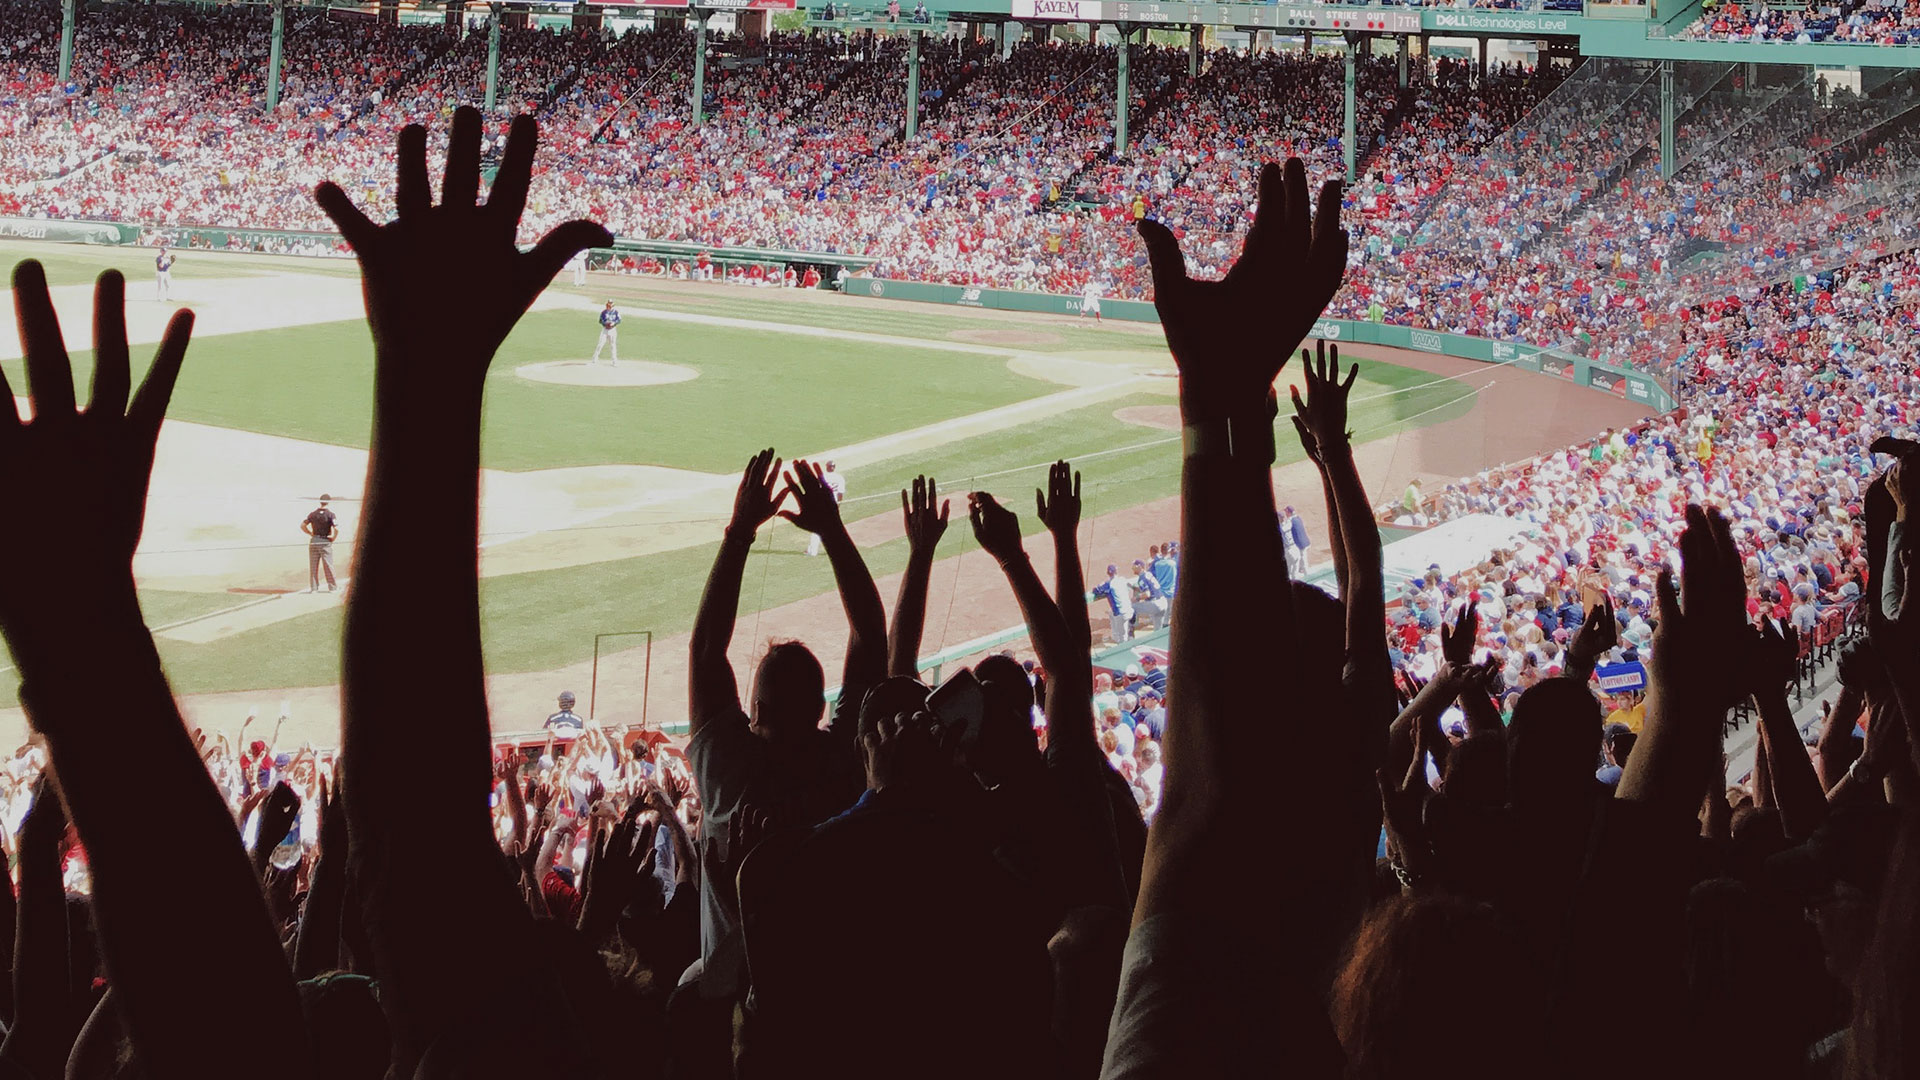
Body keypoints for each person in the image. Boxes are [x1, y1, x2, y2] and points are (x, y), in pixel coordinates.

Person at [806, 460, 847, 556]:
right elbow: (840, 493)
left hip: (823, 505)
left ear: (826, 467)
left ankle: (813, 551)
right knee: (834, 528)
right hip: (833, 505)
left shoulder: (822, 477)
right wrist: (838, 506)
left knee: (817, 527)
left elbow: (816, 491)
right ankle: (839, 549)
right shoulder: (839, 478)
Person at [300, 494, 339, 593]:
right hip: (325, 541)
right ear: (329, 502)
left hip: (314, 541)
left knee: (313, 565)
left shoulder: (313, 514)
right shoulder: (331, 514)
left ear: (320, 501)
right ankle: (332, 588)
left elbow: (302, 525)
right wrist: (333, 538)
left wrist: (310, 533)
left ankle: (314, 588)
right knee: (328, 565)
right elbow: (337, 529)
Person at [1092, 563, 1135, 643]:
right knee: (1111, 613)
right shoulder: (1122, 579)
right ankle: (1117, 636)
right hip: (1130, 610)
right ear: (1116, 572)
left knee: (1123, 638)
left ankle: (1122, 641)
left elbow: (1096, 590)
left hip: (1121, 614)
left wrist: (1102, 585)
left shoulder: (1108, 584)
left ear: (1108, 573)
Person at [1131, 558, 1168, 631]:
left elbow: (1147, 594)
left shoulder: (1141, 579)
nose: (1132, 568)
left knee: (1131, 607)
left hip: (1155, 604)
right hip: (1163, 602)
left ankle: (1130, 630)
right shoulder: (1148, 574)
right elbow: (1152, 588)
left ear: (1139, 567)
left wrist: (1136, 597)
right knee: (1158, 630)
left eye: (1134, 566)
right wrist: (1138, 590)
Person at [1281, 504, 1310, 575]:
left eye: (1286, 512)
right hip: (1306, 541)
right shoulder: (1298, 517)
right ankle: (1303, 570)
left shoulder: (1290, 521)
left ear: (1288, 512)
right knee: (1301, 559)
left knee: (1303, 560)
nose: (1285, 514)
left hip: (1300, 544)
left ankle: (1307, 574)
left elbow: (1284, 530)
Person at [591, 299, 620, 364]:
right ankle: (595, 358)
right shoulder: (604, 312)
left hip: (613, 330)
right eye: (608, 305)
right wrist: (605, 324)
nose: (609, 307)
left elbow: (619, 320)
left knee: (613, 345)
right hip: (605, 330)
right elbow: (600, 321)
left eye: (610, 305)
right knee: (600, 344)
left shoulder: (616, 312)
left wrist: (614, 323)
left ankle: (614, 360)